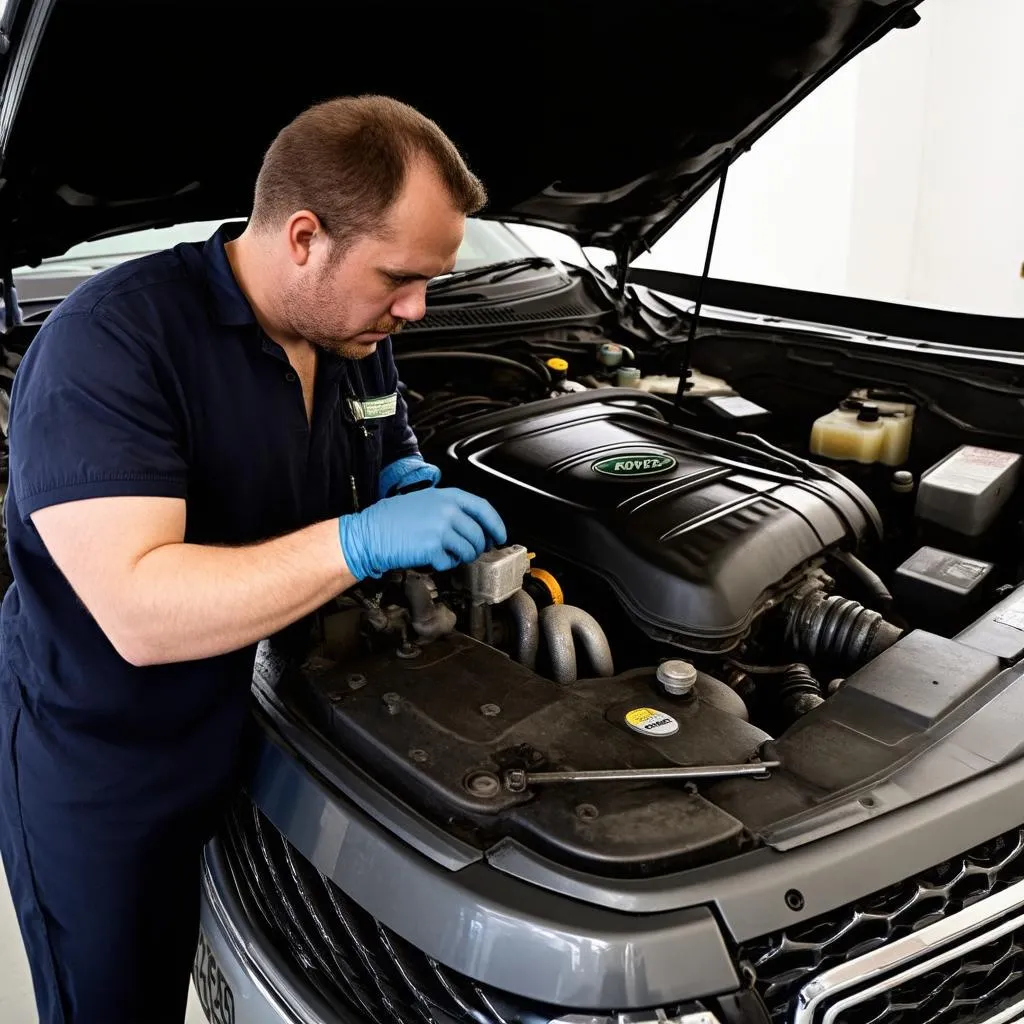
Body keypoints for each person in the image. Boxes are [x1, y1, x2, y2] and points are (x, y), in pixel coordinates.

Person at [0, 94, 506, 1023]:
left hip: (266, 729)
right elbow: (141, 611)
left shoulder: (350, 331)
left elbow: (378, 436)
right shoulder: (113, 346)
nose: (418, 309)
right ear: (304, 236)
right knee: (116, 999)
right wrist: (357, 543)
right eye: (399, 277)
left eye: (431, 279)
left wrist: (396, 478)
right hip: (114, 764)